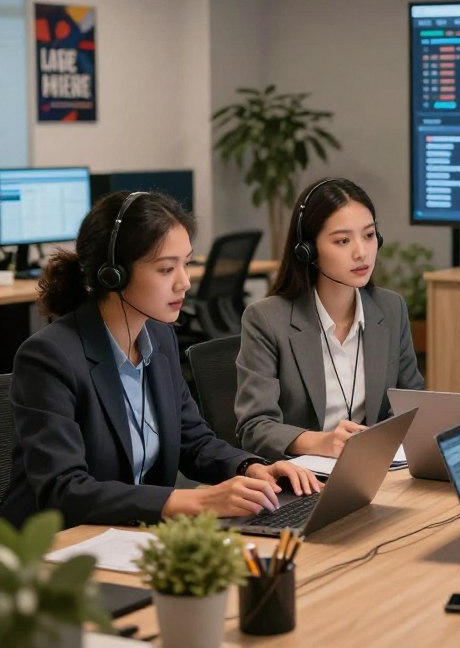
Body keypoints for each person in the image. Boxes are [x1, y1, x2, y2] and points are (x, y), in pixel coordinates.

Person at [0, 192, 320, 530]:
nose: (184, 282)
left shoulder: (160, 339)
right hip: (51, 551)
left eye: (187, 263)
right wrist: (195, 501)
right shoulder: (50, 357)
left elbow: (193, 441)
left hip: (130, 535)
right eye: (166, 268)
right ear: (114, 275)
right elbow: (64, 490)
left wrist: (251, 468)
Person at [235, 178, 423, 461]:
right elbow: (254, 426)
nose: (361, 252)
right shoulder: (266, 320)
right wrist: (321, 443)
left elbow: (412, 404)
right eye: (343, 240)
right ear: (307, 250)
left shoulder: (390, 308)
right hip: (300, 480)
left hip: (372, 471)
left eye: (369, 235)